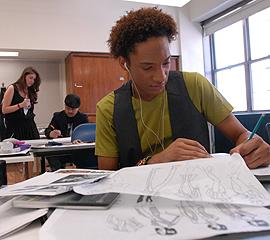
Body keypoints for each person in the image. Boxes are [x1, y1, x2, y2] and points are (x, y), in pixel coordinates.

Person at [95, 7, 270, 171]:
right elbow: (107, 175)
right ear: (124, 63)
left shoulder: (195, 85)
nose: (161, 76)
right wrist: (155, 161)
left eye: (166, 63)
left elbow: (240, 133)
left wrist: (252, 144)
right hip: (139, 197)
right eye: (147, 67)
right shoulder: (109, 108)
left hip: (200, 188)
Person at [45, 94, 89, 171]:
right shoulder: (57, 116)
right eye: (67, 108)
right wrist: (51, 133)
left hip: (77, 150)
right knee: (50, 154)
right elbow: (48, 130)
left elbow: (87, 134)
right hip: (61, 150)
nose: (70, 111)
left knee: (86, 155)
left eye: (73, 109)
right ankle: (57, 173)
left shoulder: (83, 118)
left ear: (78, 108)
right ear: (65, 105)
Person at [2, 66, 41, 140]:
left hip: (30, 128)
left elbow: (31, 113)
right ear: (24, 76)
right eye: (30, 78)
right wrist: (21, 105)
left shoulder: (31, 92)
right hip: (15, 128)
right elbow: (4, 109)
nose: (32, 81)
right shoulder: (12, 88)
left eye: (34, 79)